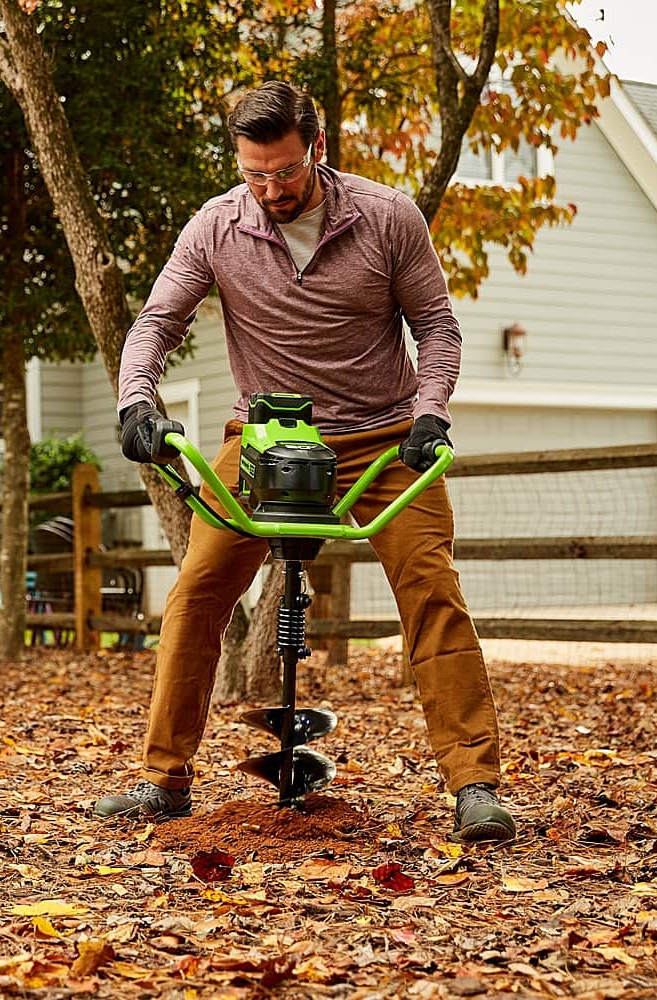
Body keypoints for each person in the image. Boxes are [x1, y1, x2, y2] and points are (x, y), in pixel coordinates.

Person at [94, 81, 515, 843]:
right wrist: (136, 400)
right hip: (264, 440)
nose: (270, 190)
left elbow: (438, 327)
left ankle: (475, 785)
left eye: (284, 171)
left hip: (382, 441)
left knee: (431, 590)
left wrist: (430, 415)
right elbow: (157, 320)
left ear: (316, 148)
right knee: (197, 590)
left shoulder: (387, 217)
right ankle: (163, 779)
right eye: (254, 173)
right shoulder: (217, 227)